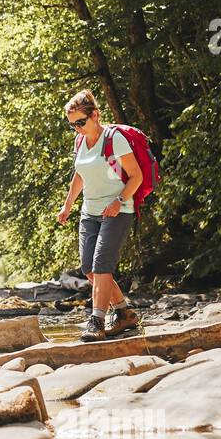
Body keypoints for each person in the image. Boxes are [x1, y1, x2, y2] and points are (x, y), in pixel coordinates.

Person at [56, 90, 143, 340]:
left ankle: (97, 322)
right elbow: (80, 174)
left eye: (81, 123)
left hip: (117, 210)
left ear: (94, 115)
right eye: (72, 125)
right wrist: (67, 205)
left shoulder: (113, 139)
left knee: (102, 267)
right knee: (89, 270)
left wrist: (119, 201)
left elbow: (135, 176)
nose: (77, 129)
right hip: (90, 212)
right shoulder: (80, 142)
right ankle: (124, 313)